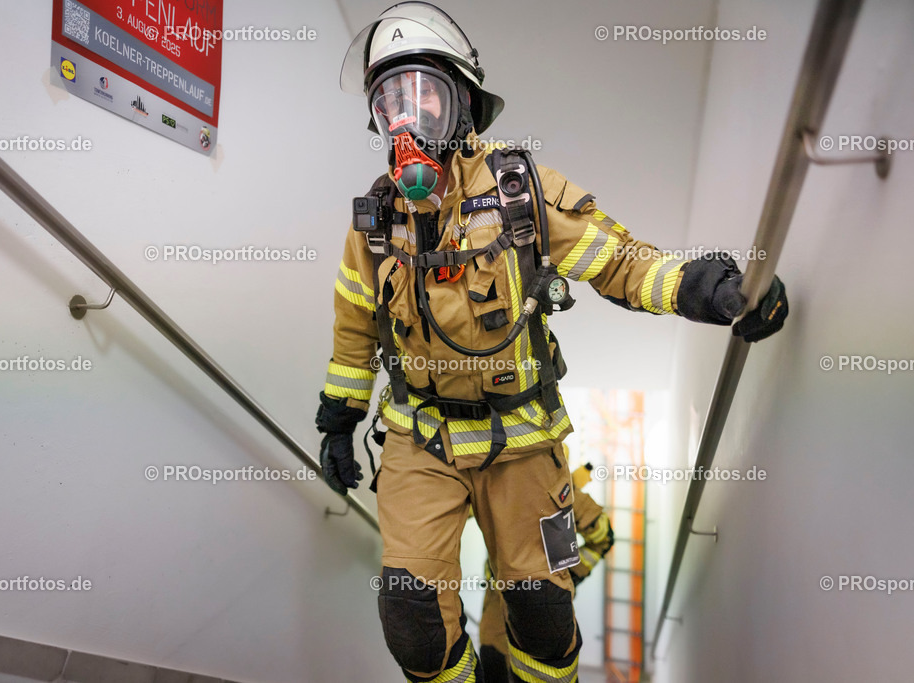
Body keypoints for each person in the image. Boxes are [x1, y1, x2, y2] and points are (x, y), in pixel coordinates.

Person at [315, 4, 788, 681]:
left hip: (526, 444)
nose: (406, 116)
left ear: (464, 106)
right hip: (421, 441)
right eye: (391, 98)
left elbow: (620, 263)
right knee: (411, 618)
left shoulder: (522, 193)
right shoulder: (376, 221)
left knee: (541, 615)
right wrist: (340, 419)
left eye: (425, 93)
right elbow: (354, 324)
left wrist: (707, 287)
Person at [479, 459, 613, 682]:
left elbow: (603, 538)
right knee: (495, 671)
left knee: (544, 672)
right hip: (496, 616)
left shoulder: (560, 487)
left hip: (541, 607)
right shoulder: (493, 478)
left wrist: (571, 573)